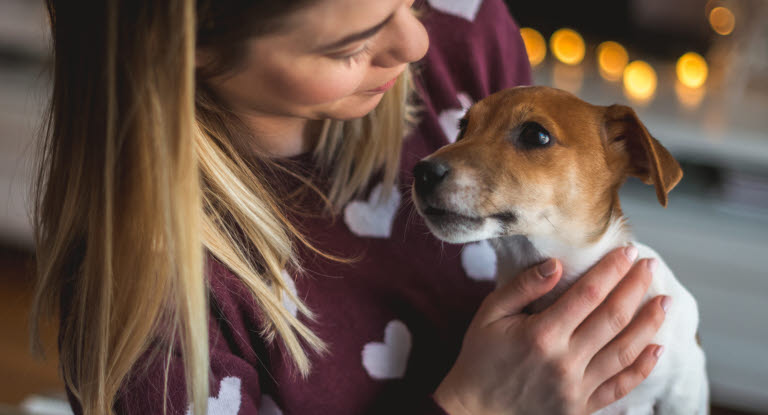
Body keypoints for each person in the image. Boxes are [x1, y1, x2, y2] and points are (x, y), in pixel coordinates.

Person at [30, 0, 668, 414]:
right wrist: (477, 406)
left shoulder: (462, 34)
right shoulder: (150, 314)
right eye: (353, 44)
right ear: (192, 42)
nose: (416, 41)